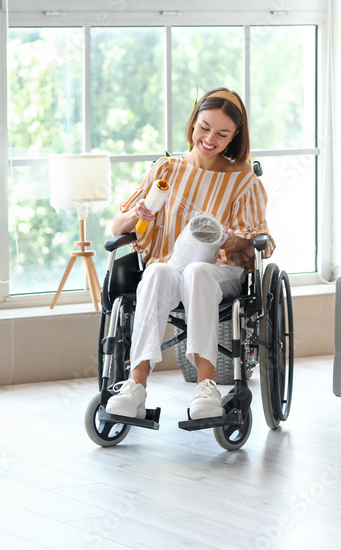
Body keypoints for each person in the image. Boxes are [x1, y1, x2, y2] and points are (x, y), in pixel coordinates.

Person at [104, 87, 275, 421]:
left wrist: (233, 241)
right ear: (193, 123)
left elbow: (261, 242)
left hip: (220, 273)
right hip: (170, 265)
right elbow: (117, 226)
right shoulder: (166, 170)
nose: (210, 138)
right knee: (154, 271)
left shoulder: (243, 181)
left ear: (234, 137)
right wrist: (139, 214)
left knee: (197, 271)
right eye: (204, 127)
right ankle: (135, 385)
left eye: (222, 133)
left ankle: (206, 384)